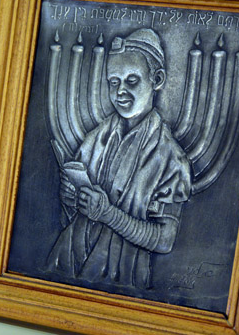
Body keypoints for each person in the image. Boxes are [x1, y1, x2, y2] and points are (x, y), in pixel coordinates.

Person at [46, 28, 192, 289]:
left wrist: (109, 214)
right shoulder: (95, 139)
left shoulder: (171, 158)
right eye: (114, 82)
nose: (120, 91)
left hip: (121, 282)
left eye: (132, 80)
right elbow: (72, 213)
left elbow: (164, 240)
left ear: (156, 79)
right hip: (66, 266)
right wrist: (70, 198)